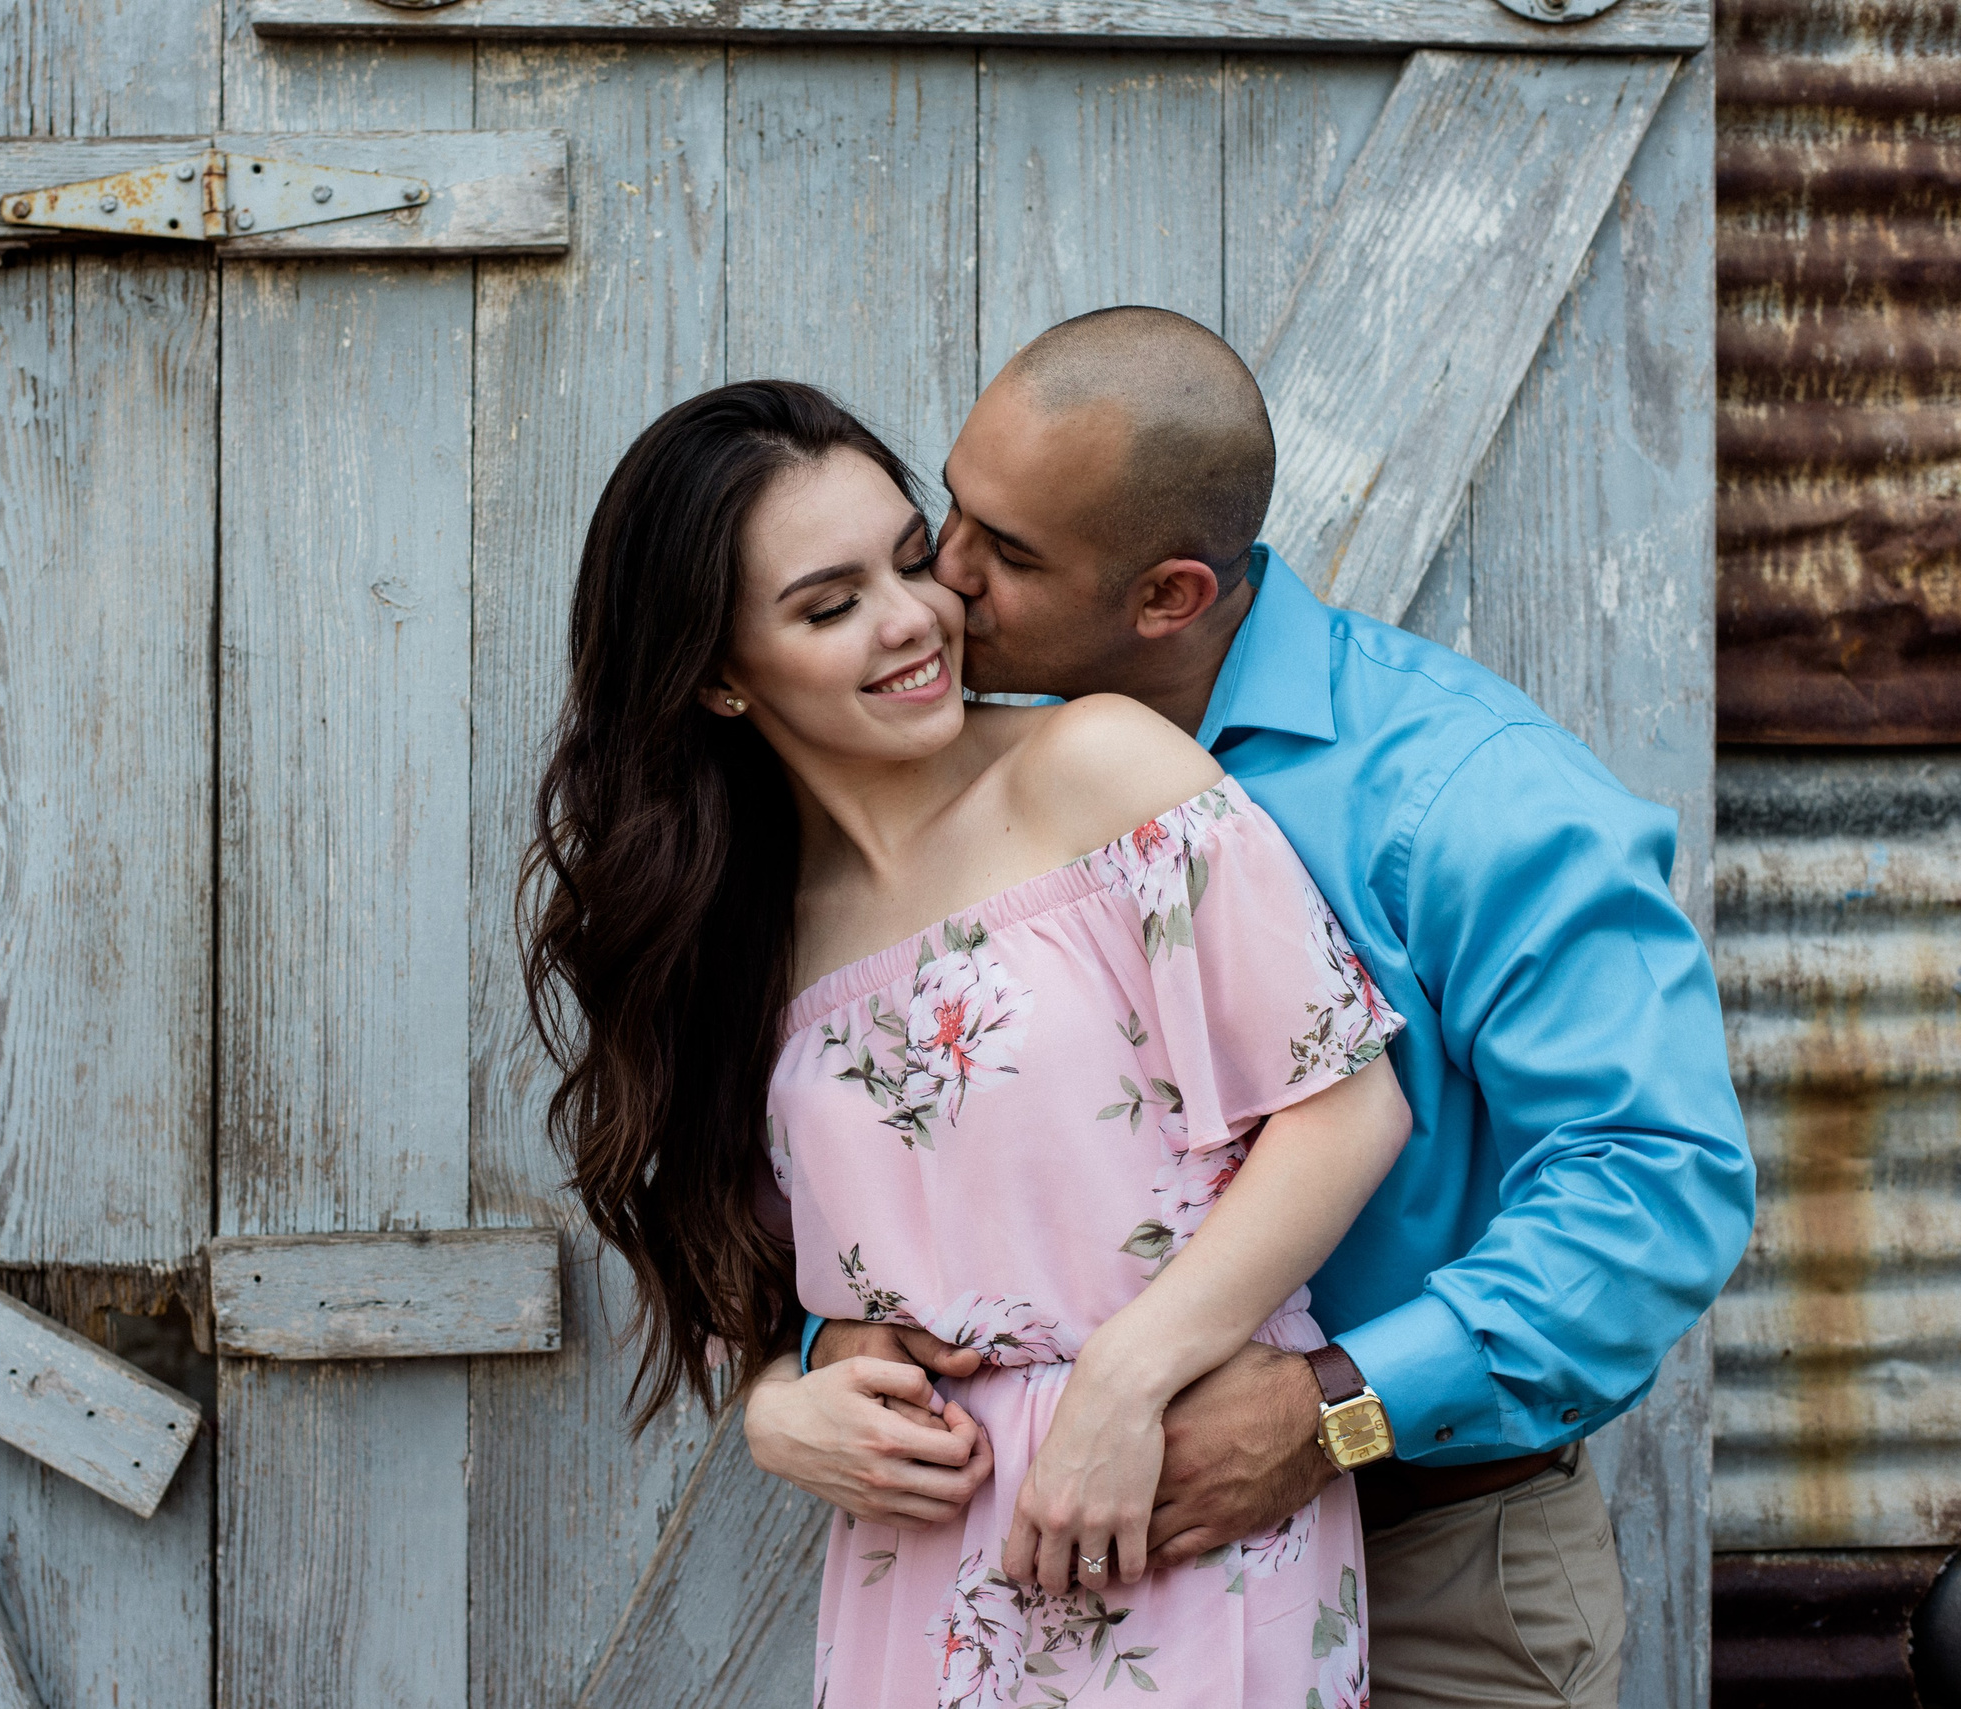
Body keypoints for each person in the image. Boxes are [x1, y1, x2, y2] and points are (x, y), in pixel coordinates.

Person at [745, 308, 1755, 1709]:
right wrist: (818, 1366)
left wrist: (1334, 1410)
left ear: (1167, 596)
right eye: (947, 521)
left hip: (1439, 1568)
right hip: (1073, 1581)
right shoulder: (930, 809)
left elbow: (1658, 1186)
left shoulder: (1466, 794)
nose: (946, 586)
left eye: (1005, 556)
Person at [523, 379, 1417, 1707]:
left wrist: (1124, 1384)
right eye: (830, 606)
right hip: (924, 1562)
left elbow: (1346, 1108)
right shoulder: (736, 932)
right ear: (716, 675)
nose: (913, 619)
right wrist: (783, 1401)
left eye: (909, 560)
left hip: (1174, 1497)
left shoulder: (1098, 769)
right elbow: (773, 1280)